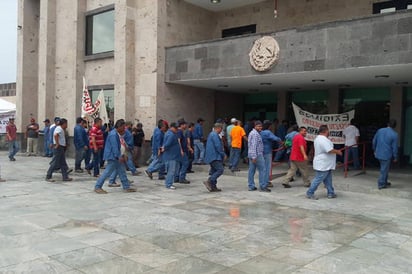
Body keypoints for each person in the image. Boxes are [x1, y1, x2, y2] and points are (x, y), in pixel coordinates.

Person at [94, 119, 136, 194]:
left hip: (116, 156)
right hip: (113, 156)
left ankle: (126, 186)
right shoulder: (113, 134)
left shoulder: (116, 133)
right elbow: (114, 147)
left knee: (122, 171)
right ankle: (98, 186)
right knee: (107, 172)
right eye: (123, 127)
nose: (124, 129)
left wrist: (122, 155)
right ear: (119, 127)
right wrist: (118, 156)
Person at [306, 125, 342, 200]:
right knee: (318, 178)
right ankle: (310, 192)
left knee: (328, 179)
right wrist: (337, 152)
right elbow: (329, 150)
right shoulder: (322, 139)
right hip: (323, 163)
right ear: (326, 131)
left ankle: (331, 192)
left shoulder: (320, 139)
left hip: (326, 163)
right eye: (328, 130)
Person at [372, 119, 398, 189]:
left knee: (384, 169)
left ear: (388, 124)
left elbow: (374, 141)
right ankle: (381, 184)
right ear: (395, 126)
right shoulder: (394, 134)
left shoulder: (380, 130)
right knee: (384, 169)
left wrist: (374, 150)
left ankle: (385, 181)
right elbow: (394, 147)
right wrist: (395, 157)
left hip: (378, 152)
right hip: (386, 154)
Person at [247, 121, 270, 192]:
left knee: (251, 170)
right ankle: (263, 186)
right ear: (255, 126)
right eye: (258, 126)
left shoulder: (253, 133)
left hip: (252, 154)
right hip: (257, 155)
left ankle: (251, 186)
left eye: (261, 126)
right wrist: (254, 156)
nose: (260, 128)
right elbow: (253, 146)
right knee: (262, 170)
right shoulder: (255, 134)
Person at [203, 123, 226, 192]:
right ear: (218, 128)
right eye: (221, 129)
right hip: (214, 156)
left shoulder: (211, 134)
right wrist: (223, 154)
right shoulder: (214, 135)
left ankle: (213, 186)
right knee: (220, 169)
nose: (221, 131)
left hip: (211, 156)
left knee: (214, 171)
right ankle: (209, 181)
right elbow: (218, 146)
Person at [260, 120, 282, 188]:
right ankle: (266, 182)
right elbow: (275, 138)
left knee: (262, 168)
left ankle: (263, 181)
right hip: (267, 152)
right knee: (267, 168)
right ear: (269, 126)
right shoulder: (268, 132)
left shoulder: (261, 132)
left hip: (261, 151)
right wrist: (281, 141)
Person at [161, 122, 181, 190]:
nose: (176, 129)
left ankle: (169, 183)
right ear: (171, 127)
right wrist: (164, 148)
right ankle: (169, 184)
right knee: (171, 171)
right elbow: (167, 144)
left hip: (172, 155)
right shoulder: (171, 135)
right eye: (175, 128)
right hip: (171, 156)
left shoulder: (169, 133)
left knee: (171, 170)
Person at [175, 119, 190, 184]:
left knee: (179, 164)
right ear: (182, 125)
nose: (186, 126)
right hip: (182, 151)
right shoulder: (179, 131)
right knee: (185, 163)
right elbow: (178, 141)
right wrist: (181, 150)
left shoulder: (180, 131)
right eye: (185, 124)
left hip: (181, 150)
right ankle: (182, 178)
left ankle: (176, 177)